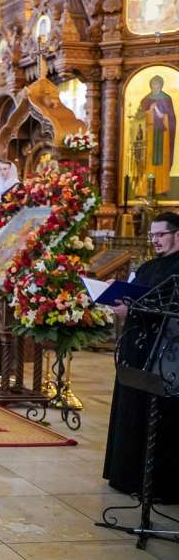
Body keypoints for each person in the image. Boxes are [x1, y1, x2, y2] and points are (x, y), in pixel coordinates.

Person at [104, 212, 179, 504]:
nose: (156, 241)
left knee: (156, 415)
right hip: (136, 351)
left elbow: (169, 309)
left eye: (161, 235)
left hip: (164, 355)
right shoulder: (149, 266)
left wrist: (131, 310)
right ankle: (127, 476)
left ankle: (155, 484)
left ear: (177, 234)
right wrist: (122, 301)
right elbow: (141, 296)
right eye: (153, 236)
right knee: (132, 408)